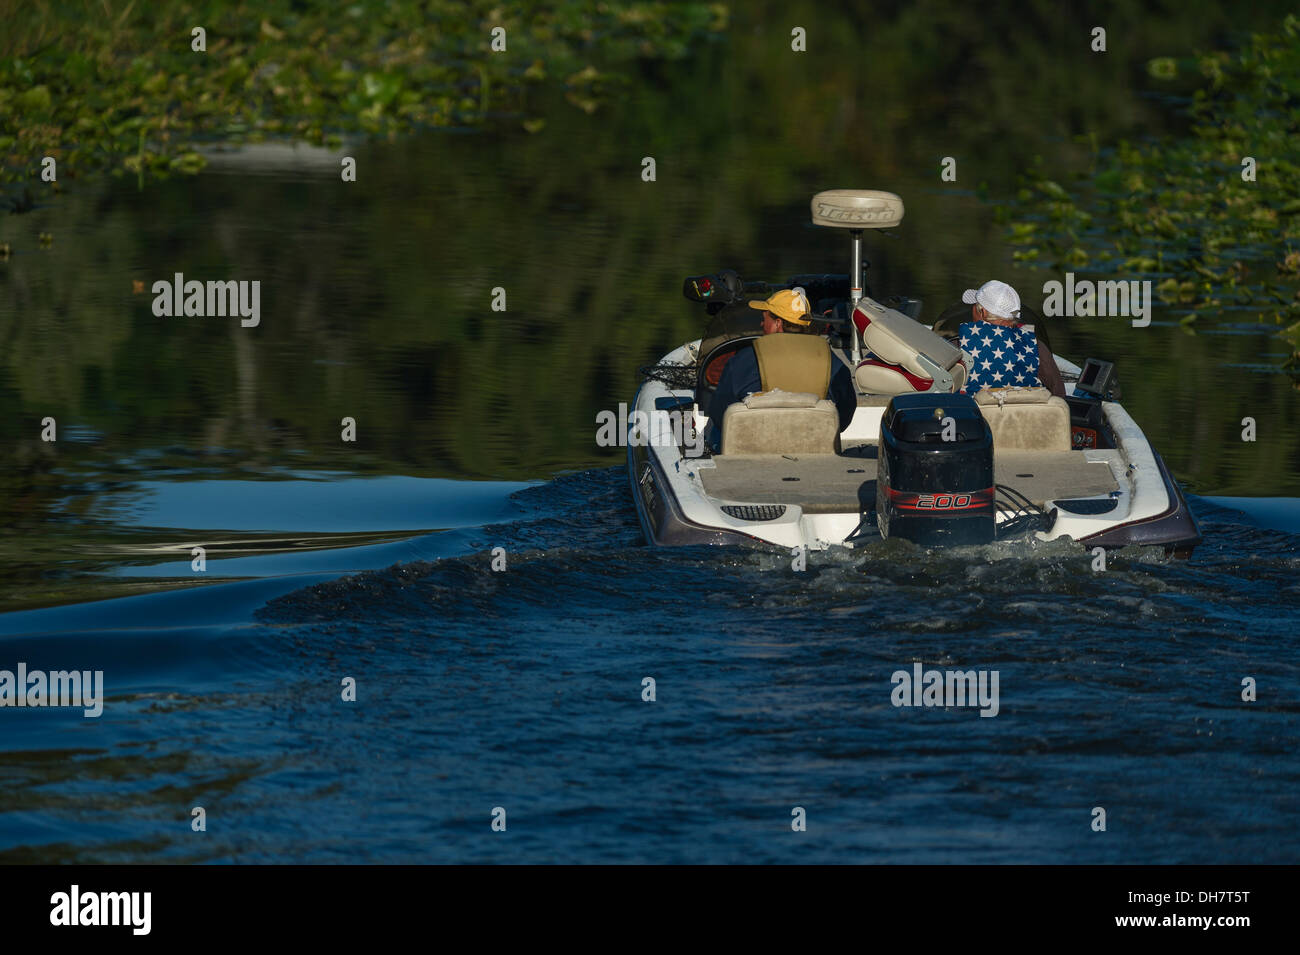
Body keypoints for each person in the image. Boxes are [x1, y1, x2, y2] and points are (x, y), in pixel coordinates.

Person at [705, 287, 858, 451]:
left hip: (755, 447)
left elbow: (718, 411)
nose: (761, 323)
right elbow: (845, 413)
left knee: (713, 428)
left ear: (778, 323)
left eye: (765, 318)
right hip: (811, 447)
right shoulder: (831, 360)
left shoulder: (745, 358)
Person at [932, 279, 1066, 398]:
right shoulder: (1036, 346)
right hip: (1022, 421)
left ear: (982, 312)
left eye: (974, 305)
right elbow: (1059, 393)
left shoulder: (959, 345)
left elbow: (940, 388)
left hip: (978, 422)